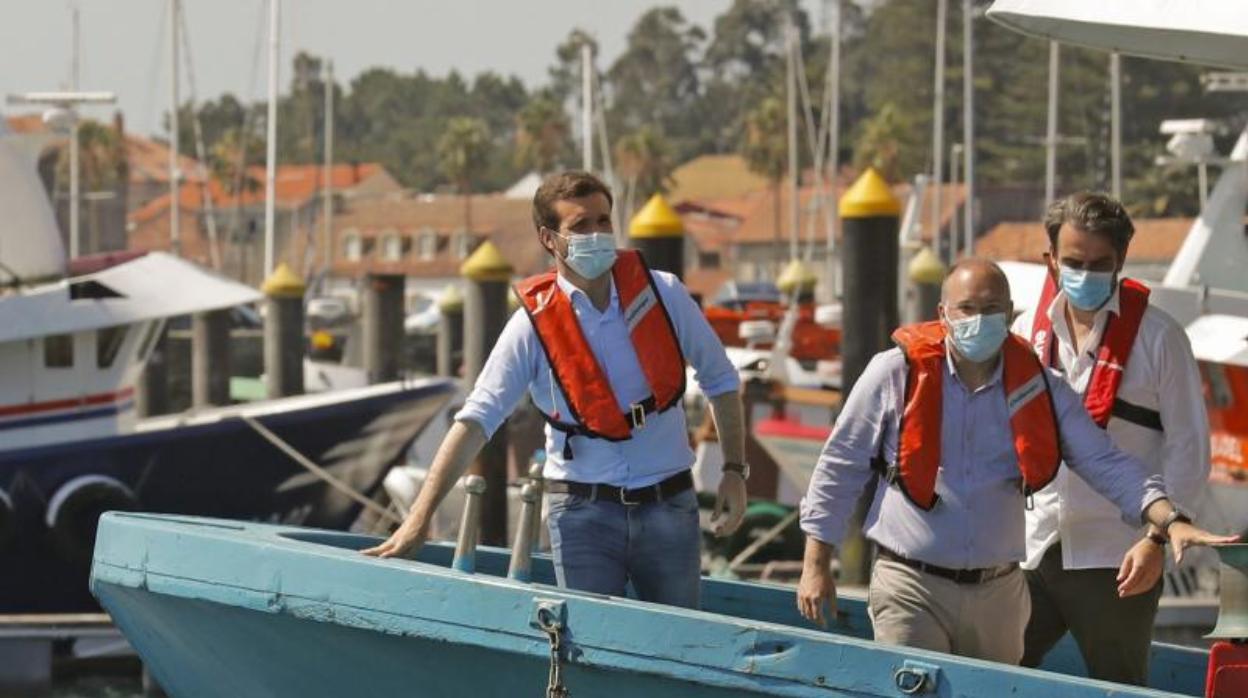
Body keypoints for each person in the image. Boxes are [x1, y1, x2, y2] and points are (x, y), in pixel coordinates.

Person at [795, 258, 1234, 664]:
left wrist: (1169, 518)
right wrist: (815, 566)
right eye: (966, 308)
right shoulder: (895, 373)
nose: (979, 319)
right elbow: (841, 464)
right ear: (943, 312)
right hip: (911, 583)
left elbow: (1106, 464)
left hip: (1000, 591)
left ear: (1009, 313)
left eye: (991, 308)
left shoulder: (1042, 387)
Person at [364, 171, 749, 609]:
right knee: (587, 650)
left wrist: (734, 471)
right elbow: (475, 420)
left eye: (604, 221)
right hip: (583, 515)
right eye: (581, 225)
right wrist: (418, 518)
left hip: (669, 505)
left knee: (681, 645)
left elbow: (721, 380)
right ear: (549, 239)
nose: (597, 234)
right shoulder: (531, 324)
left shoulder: (664, 293)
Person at [1014, 193, 1210, 684]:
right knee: (997, 673)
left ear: (1122, 260)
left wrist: (1155, 540)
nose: (1085, 274)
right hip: (1031, 547)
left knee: (1120, 685)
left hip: (1119, 557)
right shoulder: (1024, 333)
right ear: (1051, 260)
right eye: (1074, 262)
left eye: (1100, 264)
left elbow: (1190, 452)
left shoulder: (1160, 339)